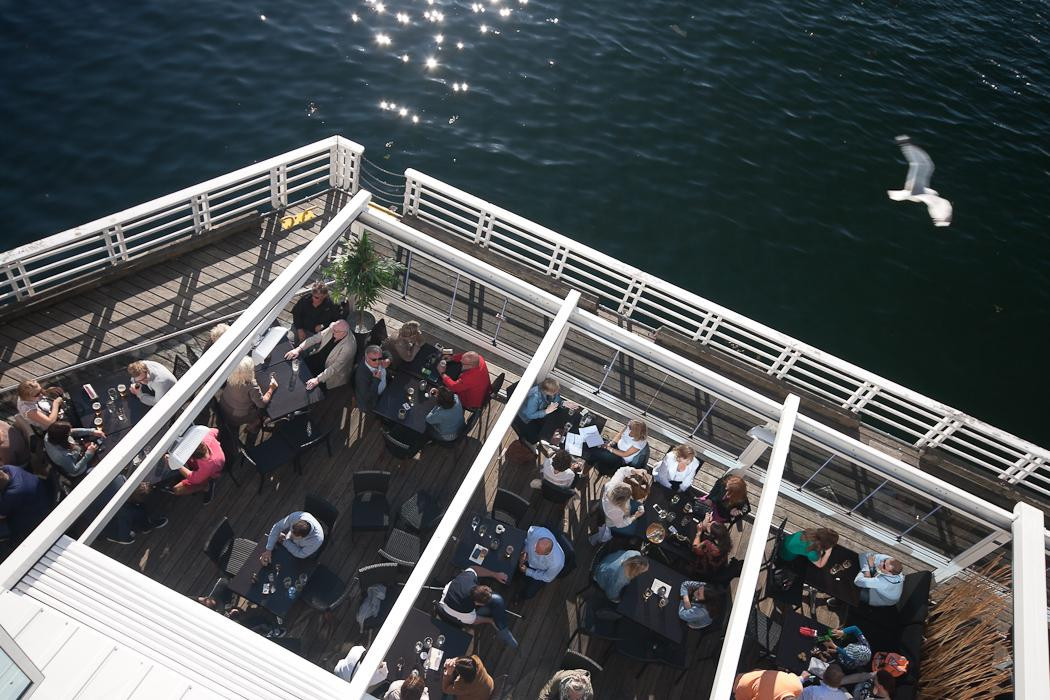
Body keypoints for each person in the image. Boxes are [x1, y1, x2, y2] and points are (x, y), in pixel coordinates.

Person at [437, 566, 518, 648]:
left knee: (498, 599)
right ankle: (503, 631)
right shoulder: (466, 610)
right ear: (477, 603)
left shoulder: (468, 577)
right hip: (450, 608)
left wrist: (495, 574)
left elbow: (474, 569)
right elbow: (475, 621)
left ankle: (503, 630)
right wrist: (490, 620)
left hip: (457, 589)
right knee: (492, 611)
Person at [285, 319, 356, 391]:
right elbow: (315, 339)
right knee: (298, 372)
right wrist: (298, 349)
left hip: (329, 370)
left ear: (344, 333)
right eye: (333, 329)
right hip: (319, 357)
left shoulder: (348, 347)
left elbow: (334, 368)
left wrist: (317, 380)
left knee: (312, 389)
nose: (332, 332)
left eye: (336, 331)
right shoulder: (334, 328)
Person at [166, 427, 224, 501]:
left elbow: (193, 478)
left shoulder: (207, 467)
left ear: (193, 458)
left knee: (177, 490)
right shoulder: (206, 437)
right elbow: (216, 430)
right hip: (214, 465)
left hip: (210, 474)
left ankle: (206, 486)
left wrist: (177, 464)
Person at [219, 357, 278, 430]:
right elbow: (262, 404)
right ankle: (252, 427)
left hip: (222, 405)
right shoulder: (251, 385)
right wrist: (271, 388)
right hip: (235, 418)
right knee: (262, 411)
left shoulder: (230, 374)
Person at [0, 464, 52, 542]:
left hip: (35, 517)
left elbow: (1, 516)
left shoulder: (12, 493)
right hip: (39, 496)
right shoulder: (9, 468)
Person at [582, 418, 648, 475]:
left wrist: (608, 448)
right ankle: (585, 466)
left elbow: (625, 454)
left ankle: (584, 471)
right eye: (629, 425)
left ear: (636, 431)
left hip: (621, 459)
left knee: (595, 452)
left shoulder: (640, 442)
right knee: (592, 439)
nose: (628, 427)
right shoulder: (628, 427)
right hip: (615, 447)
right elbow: (619, 435)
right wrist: (611, 443)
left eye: (630, 427)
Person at [518, 525, 566, 599]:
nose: (534, 550)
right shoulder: (539, 532)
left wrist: (528, 571)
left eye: (537, 551)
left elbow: (547, 577)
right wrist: (524, 551)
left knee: (529, 593)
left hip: (538, 571)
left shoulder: (557, 563)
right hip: (525, 557)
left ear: (547, 553)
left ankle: (519, 597)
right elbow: (528, 536)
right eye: (535, 546)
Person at [514, 377, 562, 444]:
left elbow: (556, 396)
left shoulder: (548, 388)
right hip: (526, 416)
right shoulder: (534, 397)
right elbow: (530, 415)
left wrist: (562, 403)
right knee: (535, 437)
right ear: (547, 392)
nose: (556, 393)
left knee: (553, 419)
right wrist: (546, 411)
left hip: (539, 410)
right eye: (554, 392)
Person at [691, 514, 733, 579]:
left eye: (710, 525)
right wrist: (710, 522)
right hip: (720, 562)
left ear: (713, 536)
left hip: (707, 566)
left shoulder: (708, 544)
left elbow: (695, 549)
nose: (708, 524)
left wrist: (698, 533)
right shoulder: (725, 539)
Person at [354, 344, 390, 414]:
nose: (378, 362)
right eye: (374, 360)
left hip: (387, 390)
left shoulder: (379, 357)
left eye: (380, 358)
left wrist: (388, 360)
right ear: (366, 358)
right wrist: (376, 380)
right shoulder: (361, 376)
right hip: (375, 401)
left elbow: (387, 353)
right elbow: (368, 398)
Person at [733, 669, 804, 700]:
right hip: (739, 685)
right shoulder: (767, 697)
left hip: (756, 673)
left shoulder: (798, 686)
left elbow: (792, 676)